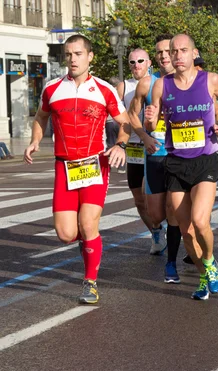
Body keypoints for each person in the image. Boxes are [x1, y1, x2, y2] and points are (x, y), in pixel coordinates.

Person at [24, 34, 131, 304]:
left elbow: (125, 122)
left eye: (78, 54)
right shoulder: (51, 89)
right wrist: (35, 141)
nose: (72, 59)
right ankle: (88, 242)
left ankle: (90, 282)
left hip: (95, 164)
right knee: (66, 234)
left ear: (89, 56)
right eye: (68, 54)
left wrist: (120, 145)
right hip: (64, 166)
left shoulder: (104, 89)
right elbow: (41, 117)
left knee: (87, 223)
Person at [144, 34, 218, 301]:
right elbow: (152, 125)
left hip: (205, 160)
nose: (178, 55)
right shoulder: (161, 86)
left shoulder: (211, 79)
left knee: (200, 220)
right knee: (184, 229)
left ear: (194, 53)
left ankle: (211, 261)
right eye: (174, 50)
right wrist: (148, 122)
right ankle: (205, 273)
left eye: (183, 50)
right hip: (176, 162)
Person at [128, 34, 187, 284]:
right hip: (155, 154)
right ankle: (167, 234)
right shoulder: (146, 84)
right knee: (156, 214)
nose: (164, 56)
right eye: (160, 52)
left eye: (168, 51)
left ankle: (174, 260)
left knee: (176, 209)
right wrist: (144, 135)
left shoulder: (187, 81)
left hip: (182, 155)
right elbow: (131, 115)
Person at [117, 48, 167, 256]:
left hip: (158, 148)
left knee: (161, 198)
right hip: (135, 149)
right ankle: (156, 232)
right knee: (139, 199)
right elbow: (119, 116)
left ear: (149, 63)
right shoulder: (123, 87)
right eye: (132, 62)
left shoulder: (157, 82)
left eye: (140, 61)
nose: (136, 65)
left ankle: (176, 233)